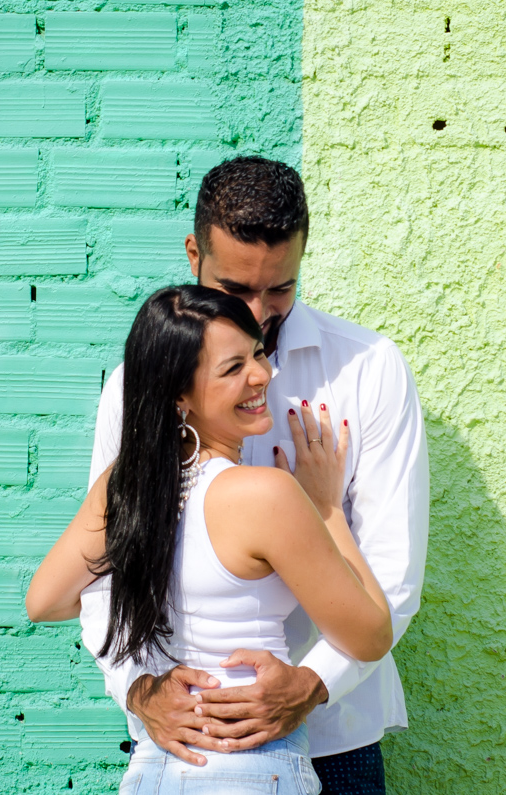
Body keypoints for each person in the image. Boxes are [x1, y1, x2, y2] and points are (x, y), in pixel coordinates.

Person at [85, 157, 429, 795]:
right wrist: (137, 689)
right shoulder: (140, 385)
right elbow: (106, 568)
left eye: (282, 289)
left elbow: (394, 570)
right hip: (180, 745)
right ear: (194, 253)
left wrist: (311, 683)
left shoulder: (369, 370)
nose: (261, 311)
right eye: (237, 288)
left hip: (334, 738)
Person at [26, 285, 394, 793]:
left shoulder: (126, 486)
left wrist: (140, 685)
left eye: (258, 352)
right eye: (232, 368)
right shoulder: (267, 495)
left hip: (158, 765)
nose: (262, 375)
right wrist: (328, 509)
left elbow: (45, 600)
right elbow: (372, 634)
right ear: (180, 394)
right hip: (250, 763)